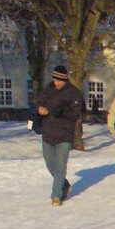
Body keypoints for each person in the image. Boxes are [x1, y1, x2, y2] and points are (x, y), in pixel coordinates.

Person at [34, 65, 83, 206]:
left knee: (60, 165)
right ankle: (64, 184)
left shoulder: (74, 93)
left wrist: (60, 111)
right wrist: (40, 110)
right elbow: (38, 103)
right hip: (47, 133)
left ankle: (56, 195)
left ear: (65, 79)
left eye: (60, 80)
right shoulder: (48, 90)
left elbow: (76, 114)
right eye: (55, 79)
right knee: (51, 164)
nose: (57, 82)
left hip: (64, 135)